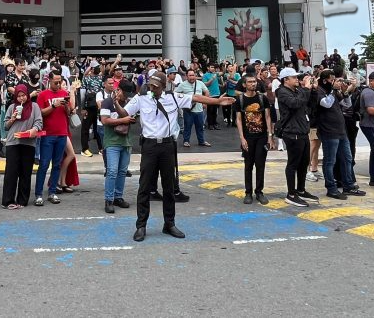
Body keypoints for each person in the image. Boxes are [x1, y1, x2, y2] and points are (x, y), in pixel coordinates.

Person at [124, 73, 233, 242]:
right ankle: (141, 226)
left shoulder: (174, 97)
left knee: (169, 187)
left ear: (163, 86)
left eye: (155, 86)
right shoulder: (141, 98)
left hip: (167, 146)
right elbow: (125, 112)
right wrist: (115, 103)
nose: (152, 88)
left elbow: (196, 98)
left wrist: (217, 102)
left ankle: (169, 224)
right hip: (149, 146)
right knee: (144, 187)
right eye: (150, 85)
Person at [275, 68, 320, 207]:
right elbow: (295, 104)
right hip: (292, 132)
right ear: (285, 80)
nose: (297, 79)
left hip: (303, 131)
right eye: (294, 77)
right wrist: (306, 89)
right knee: (293, 164)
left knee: (304, 162)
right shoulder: (282, 92)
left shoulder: (298, 90)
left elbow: (310, 104)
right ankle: (291, 194)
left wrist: (313, 90)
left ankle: (301, 189)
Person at [316, 72, 365, 200]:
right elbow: (326, 104)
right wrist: (334, 90)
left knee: (347, 158)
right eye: (333, 80)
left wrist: (346, 91)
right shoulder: (319, 91)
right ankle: (331, 188)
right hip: (328, 131)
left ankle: (348, 185)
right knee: (330, 161)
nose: (336, 82)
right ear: (325, 81)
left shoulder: (333, 92)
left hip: (341, 131)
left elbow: (347, 105)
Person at [34, 71, 73, 205]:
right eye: (56, 82)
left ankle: (52, 192)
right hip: (48, 134)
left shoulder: (64, 93)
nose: (58, 84)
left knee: (57, 164)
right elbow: (40, 113)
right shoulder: (43, 95)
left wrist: (66, 105)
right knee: (44, 164)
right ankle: (38, 194)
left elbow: (68, 113)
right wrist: (53, 106)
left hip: (62, 133)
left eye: (59, 81)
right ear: (49, 81)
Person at [2, 84, 43, 209]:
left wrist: (34, 130)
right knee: (11, 172)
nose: (21, 98)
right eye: (19, 96)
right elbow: (5, 126)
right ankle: (8, 201)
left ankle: (22, 200)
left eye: (23, 95)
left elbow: (39, 122)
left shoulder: (34, 106)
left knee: (26, 172)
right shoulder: (12, 107)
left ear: (27, 95)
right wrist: (12, 118)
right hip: (13, 142)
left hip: (28, 143)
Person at [235, 73, 274, 205]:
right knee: (248, 165)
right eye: (250, 82)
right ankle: (248, 192)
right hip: (248, 137)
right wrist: (242, 138)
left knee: (260, 164)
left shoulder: (262, 98)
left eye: (254, 82)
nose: (253, 84)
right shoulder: (240, 100)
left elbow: (268, 117)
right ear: (244, 84)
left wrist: (270, 136)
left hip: (262, 137)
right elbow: (238, 120)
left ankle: (259, 192)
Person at [100, 84, 134, 213]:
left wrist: (126, 119)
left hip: (126, 142)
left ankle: (118, 197)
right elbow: (104, 120)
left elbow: (133, 118)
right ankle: (109, 199)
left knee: (122, 171)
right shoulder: (107, 102)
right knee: (112, 171)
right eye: (124, 94)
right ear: (118, 90)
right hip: (112, 142)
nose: (126, 97)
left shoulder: (130, 102)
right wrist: (123, 120)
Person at [177, 68, 211, 147]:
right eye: (190, 75)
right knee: (187, 127)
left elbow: (206, 91)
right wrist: (183, 102)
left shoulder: (200, 83)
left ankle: (201, 141)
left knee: (200, 127)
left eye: (193, 75)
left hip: (199, 110)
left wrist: (205, 102)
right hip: (188, 110)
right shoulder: (182, 85)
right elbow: (176, 94)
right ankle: (186, 141)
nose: (192, 77)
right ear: (186, 76)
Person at [79, 62, 104, 157]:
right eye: (97, 67)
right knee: (85, 128)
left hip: (98, 106)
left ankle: (101, 148)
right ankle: (84, 149)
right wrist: (82, 108)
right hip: (88, 106)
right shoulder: (86, 78)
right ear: (92, 69)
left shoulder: (101, 78)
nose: (99, 68)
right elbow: (82, 93)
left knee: (98, 128)